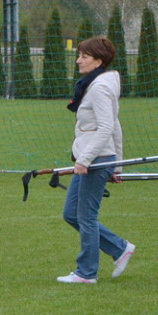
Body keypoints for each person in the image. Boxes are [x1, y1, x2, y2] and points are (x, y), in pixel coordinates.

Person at [57, 36, 135, 284]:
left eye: (84, 56)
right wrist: (117, 165)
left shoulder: (100, 88)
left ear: (99, 61)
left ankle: (86, 273)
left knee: (86, 217)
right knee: (71, 214)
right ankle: (119, 248)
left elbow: (106, 128)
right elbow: (114, 126)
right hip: (94, 158)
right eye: (79, 55)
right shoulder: (94, 84)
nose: (78, 60)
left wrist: (88, 160)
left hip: (95, 159)